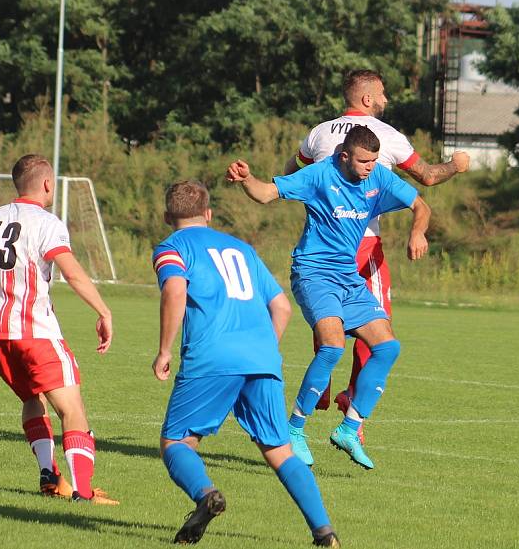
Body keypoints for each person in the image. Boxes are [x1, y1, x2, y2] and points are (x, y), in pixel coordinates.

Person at [226, 125, 431, 471]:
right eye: (364, 161)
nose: (370, 168)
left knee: (388, 347)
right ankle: (294, 429)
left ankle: (349, 429)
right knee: (333, 346)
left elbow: (420, 205)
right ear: (344, 155)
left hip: (348, 279)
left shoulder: (378, 177)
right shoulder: (319, 175)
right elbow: (265, 194)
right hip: (312, 273)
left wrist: (417, 232)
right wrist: (248, 179)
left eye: (374, 161)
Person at [152, 179, 340, 547]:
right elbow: (281, 307)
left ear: (166, 216)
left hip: (212, 355)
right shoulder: (242, 248)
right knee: (279, 450)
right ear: (208, 214)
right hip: (263, 356)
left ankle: (205, 495)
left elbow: (175, 289)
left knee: (176, 442)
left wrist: (164, 350)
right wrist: (260, 350)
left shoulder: (172, 246)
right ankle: (325, 533)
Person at [284, 69, 470, 441]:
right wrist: (457, 165)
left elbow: (292, 168)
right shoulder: (385, 137)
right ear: (367, 99)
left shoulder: (320, 132)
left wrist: (293, 190)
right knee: (379, 328)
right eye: (382, 94)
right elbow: (428, 177)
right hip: (363, 247)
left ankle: (319, 392)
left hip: (321, 248)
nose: (386, 100)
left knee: (329, 321)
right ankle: (354, 407)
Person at [0, 154, 118, 505]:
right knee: (72, 408)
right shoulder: (46, 222)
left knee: (31, 397)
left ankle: (50, 477)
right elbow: (73, 272)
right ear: (48, 184)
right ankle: (82, 491)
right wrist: (103, 310)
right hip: (33, 329)